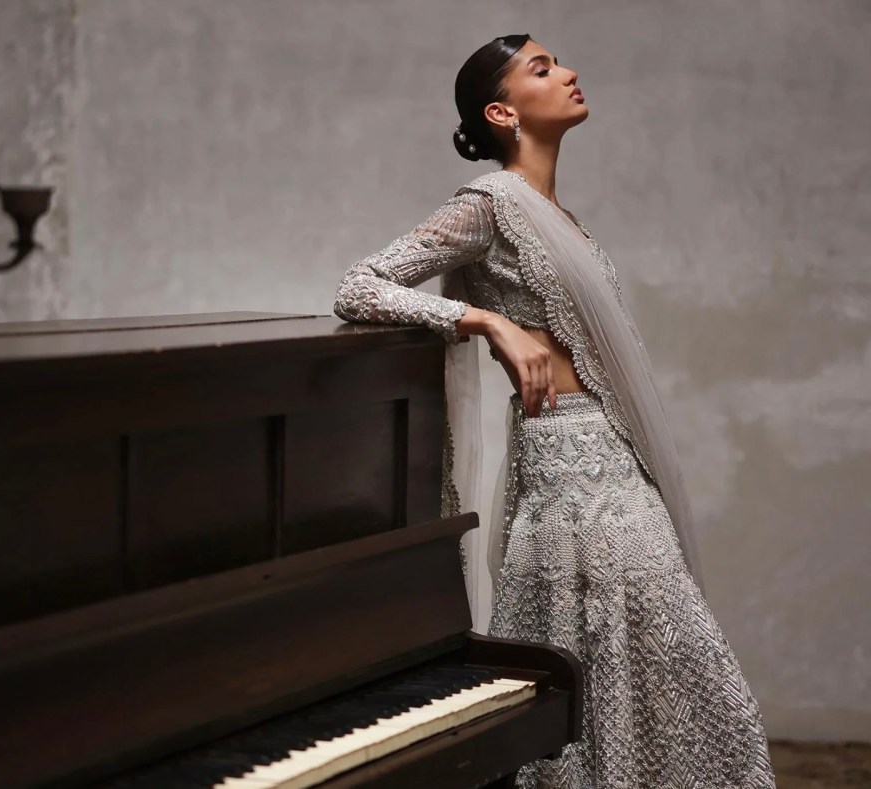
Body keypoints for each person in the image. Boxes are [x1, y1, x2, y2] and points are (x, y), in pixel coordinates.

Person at [332, 34, 776, 789]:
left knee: (659, 668)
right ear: (502, 111)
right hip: (564, 469)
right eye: (542, 68)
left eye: (559, 62)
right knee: (586, 665)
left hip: (611, 459)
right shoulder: (488, 204)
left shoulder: (561, 216)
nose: (569, 72)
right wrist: (484, 320)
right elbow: (360, 285)